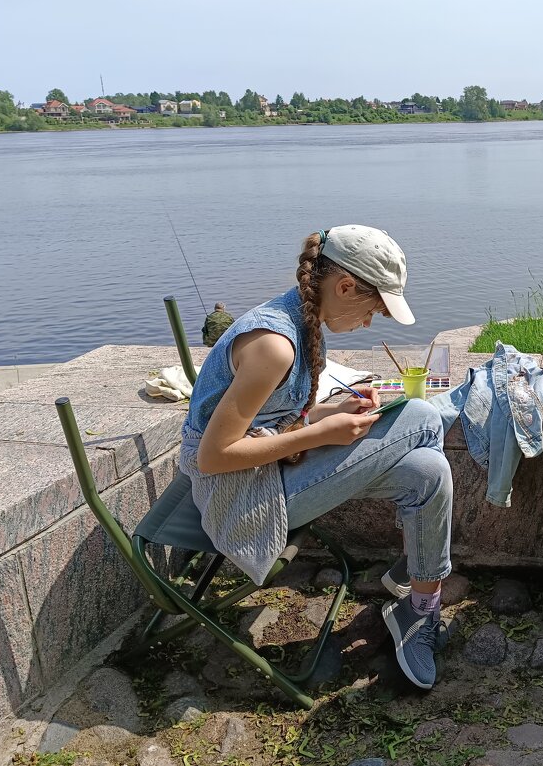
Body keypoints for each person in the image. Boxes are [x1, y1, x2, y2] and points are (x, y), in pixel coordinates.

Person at [179, 224, 452, 690]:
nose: (370, 322)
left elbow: (276, 414)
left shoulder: (304, 323)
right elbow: (214, 456)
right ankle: (419, 559)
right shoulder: (274, 344)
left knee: (431, 470)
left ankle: (419, 604)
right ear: (345, 287)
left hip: (270, 470)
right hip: (241, 496)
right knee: (424, 416)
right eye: (374, 309)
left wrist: (330, 411)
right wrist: (321, 432)